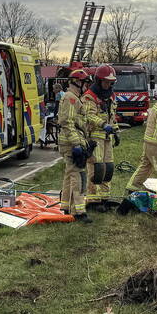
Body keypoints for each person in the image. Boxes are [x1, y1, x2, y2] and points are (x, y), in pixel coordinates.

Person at [82, 65, 119, 212]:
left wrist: (116, 132)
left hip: (107, 137)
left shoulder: (110, 96)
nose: (108, 85)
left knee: (108, 167)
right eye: (106, 82)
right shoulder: (89, 96)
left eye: (111, 82)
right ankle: (93, 200)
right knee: (96, 168)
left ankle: (104, 197)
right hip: (95, 137)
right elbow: (89, 116)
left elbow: (112, 117)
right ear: (98, 80)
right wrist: (103, 124)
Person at [57, 68, 92, 222]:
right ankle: (79, 212)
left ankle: (66, 206)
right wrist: (77, 143)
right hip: (71, 144)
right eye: (85, 83)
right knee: (78, 176)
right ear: (77, 82)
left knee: (69, 175)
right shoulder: (71, 98)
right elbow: (67, 122)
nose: (86, 87)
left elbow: (78, 123)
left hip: (71, 142)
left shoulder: (74, 98)